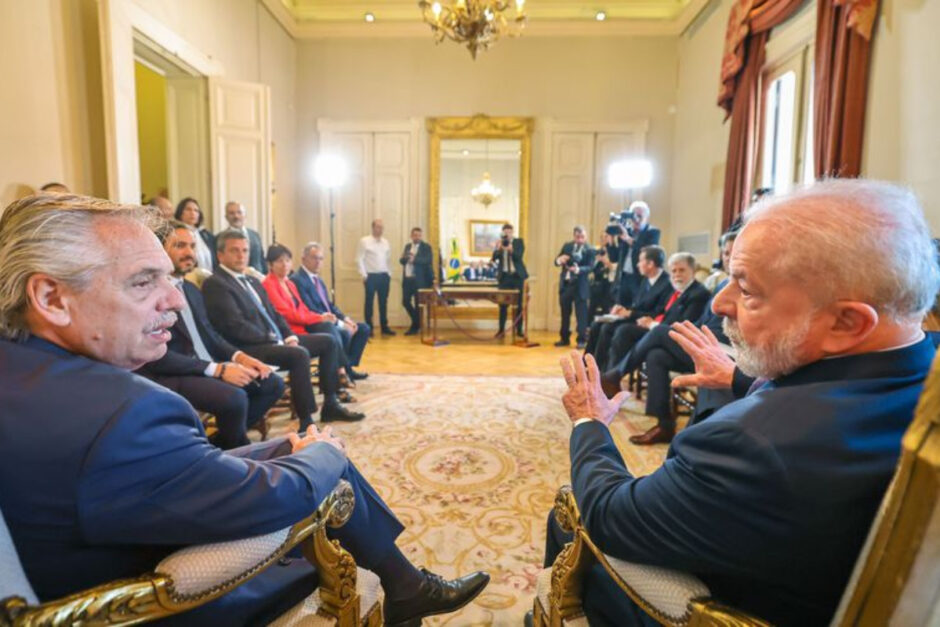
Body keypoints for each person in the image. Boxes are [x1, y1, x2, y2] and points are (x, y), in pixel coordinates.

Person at [0, 193, 489, 627]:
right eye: (144, 282)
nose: (174, 299)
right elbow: (269, 501)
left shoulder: (24, 371)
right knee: (322, 463)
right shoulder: (125, 414)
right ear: (51, 297)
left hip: (122, 520)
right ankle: (405, 586)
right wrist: (323, 452)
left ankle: (405, 585)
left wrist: (291, 451)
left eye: (169, 278)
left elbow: (162, 475)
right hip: (173, 596)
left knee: (289, 448)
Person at [544, 179, 939, 626]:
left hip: (727, 604)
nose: (720, 302)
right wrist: (738, 377)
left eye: (747, 290)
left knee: (566, 517)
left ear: (846, 321)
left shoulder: (748, 445)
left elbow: (608, 515)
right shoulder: (924, 367)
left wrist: (589, 422)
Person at [136, 222, 284, 449]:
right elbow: (158, 357)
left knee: (272, 383)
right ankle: (238, 453)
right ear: (158, 250)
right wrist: (218, 370)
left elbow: (211, 336)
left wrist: (240, 358)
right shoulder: (149, 293)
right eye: (180, 245)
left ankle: (220, 446)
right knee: (234, 398)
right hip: (171, 373)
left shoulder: (192, 290)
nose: (189, 253)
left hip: (206, 364)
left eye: (192, 246)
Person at [203, 231, 363, 426]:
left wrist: (288, 336)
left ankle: (331, 404)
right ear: (220, 255)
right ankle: (307, 422)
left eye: (245, 250)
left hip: (273, 339)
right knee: (299, 355)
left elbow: (274, 314)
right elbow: (234, 326)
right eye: (234, 251)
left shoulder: (252, 281)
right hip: (248, 347)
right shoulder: (215, 283)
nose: (241, 255)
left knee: (328, 341)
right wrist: (273, 338)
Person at [261, 243, 356, 398]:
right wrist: (319, 317)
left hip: (301, 328)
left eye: (287, 260)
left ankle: (334, 390)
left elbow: (302, 309)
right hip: (288, 334)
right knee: (329, 339)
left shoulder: (289, 283)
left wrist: (322, 317)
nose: (284, 264)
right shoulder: (268, 284)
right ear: (270, 264)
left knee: (329, 335)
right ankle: (335, 390)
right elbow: (286, 314)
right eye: (279, 261)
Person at [601, 252, 710, 376]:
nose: (677, 275)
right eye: (673, 271)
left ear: (693, 271)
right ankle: (609, 374)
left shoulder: (699, 294)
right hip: (658, 328)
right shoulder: (677, 291)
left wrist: (652, 324)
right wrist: (648, 320)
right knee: (619, 329)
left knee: (624, 331)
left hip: (672, 337)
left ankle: (613, 375)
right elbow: (661, 312)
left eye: (681, 270)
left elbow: (684, 325)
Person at [292, 242, 369, 381]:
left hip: (330, 320)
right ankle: (343, 371)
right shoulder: (298, 280)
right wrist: (340, 324)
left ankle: (347, 367)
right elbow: (310, 308)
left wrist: (345, 319)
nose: (318, 262)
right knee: (343, 332)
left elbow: (329, 305)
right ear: (304, 259)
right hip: (316, 323)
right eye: (314, 258)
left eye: (321, 259)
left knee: (363, 328)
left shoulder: (318, 280)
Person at [584, 245, 672, 365]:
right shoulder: (646, 279)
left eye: (640, 260)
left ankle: (603, 371)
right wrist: (624, 309)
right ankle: (586, 366)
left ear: (650, 264)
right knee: (597, 325)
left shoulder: (668, 284)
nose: (637, 264)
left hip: (649, 323)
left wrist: (630, 313)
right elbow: (638, 305)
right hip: (636, 317)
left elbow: (659, 313)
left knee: (608, 328)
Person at [612, 201, 660, 307]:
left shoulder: (653, 232)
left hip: (639, 278)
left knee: (637, 308)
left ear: (646, 217)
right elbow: (614, 257)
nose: (636, 219)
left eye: (640, 216)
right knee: (620, 309)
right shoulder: (627, 231)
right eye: (634, 216)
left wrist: (629, 239)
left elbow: (649, 252)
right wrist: (610, 242)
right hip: (623, 277)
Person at [554, 226, 596, 348]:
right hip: (566, 284)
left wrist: (578, 270)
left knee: (581, 315)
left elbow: (590, 267)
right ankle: (564, 338)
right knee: (565, 313)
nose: (579, 240)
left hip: (580, 286)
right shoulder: (567, 246)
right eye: (577, 237)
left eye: (582, 237)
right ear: (574, 236)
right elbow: (556, 261)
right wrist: (559, 260)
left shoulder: (590, 249)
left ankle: (581, 340)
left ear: (586, 237)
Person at [356, 218, 394, 336]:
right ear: (373, 228)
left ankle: (384, 327)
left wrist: (389, 273)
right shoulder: (364, 241)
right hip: (370, 276)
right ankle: (369, 328)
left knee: (383, 302)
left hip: (384, 275)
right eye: (378, 227)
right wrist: (364, 275)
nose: (380, 229)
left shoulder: (386, 242)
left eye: (382, 227)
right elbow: (359, 258)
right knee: (369, 303)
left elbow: (388, 259)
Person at [491, 223, 527, 338]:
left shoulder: (518, 242)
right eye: (505, 232)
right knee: (502, 304)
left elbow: (519, 256)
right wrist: (498, 248)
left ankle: (519, 330)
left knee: (519, 305)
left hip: (517, 277)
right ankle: (501, 330)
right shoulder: (500, 243)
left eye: (509, 231)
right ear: (503, 233)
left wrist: (511, 250)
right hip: (504, 278)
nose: (507, 234)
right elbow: (494, 258)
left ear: (512, 232)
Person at [400, 227, 433, 336]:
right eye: (415, 235)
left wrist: (415, 260)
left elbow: (428, 260)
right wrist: (406, 258)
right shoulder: (408, 246)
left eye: (419, 235)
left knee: (418, 304)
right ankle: (418, 322)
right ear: (411, 236)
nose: (417, 237)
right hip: (408, 279)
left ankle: (414, 327)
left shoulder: (426, 247)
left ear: (421, 236)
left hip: (419, 280)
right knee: (405, 301)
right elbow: (401, 261)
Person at [220, 201, 266, 275]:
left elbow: (262, 260)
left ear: (245, 215)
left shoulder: (255, 235)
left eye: (239, 212)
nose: (236, 216)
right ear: (226, 217)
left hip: (258, 280)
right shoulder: (220, 238)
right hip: (233, 281)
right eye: (232, 213)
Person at [175, 197, 216, 272]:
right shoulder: (175, 233)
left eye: (196, 211)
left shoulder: (206, 234)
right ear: (180, 212)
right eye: (188, 209)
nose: (192, 213)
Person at [588, 235, 618, 320]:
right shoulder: (596, 251)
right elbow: (590, 267)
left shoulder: (615, 251)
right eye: (602, 237)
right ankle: (589, 330)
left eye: (606, 237)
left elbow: (617, 268)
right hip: (596, 286)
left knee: (606, 310)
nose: (604, 239)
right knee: (591, 310)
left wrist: (606, 262)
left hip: (609, 286)